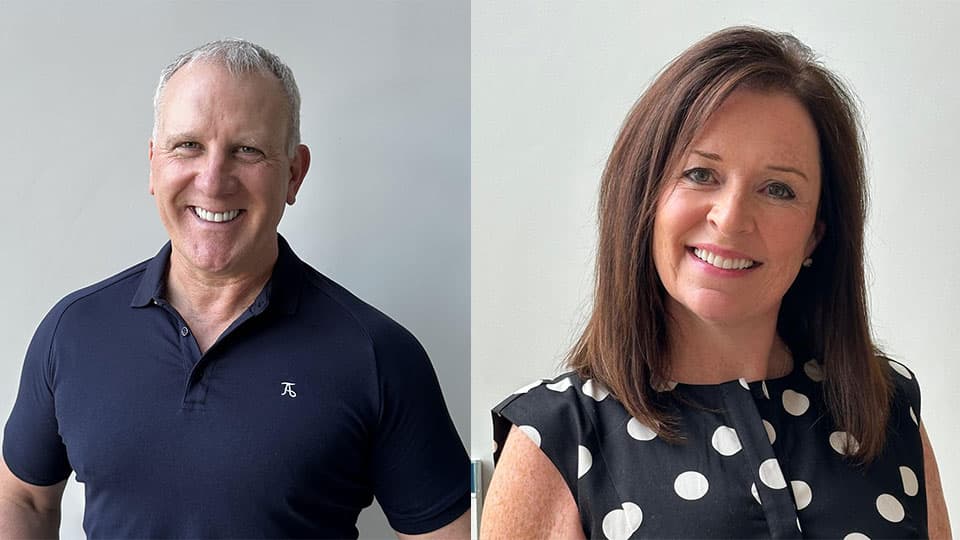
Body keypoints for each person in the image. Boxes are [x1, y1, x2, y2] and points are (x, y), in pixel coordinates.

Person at [481, 27, 949, 539]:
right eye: (701, 174)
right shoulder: (556, 436)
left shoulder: (887, 410)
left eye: (778, 188)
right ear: (645, 198)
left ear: (818, 232)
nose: (730, 219)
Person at [0, 39, 469, 539]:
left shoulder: (378, 355)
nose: (214, 179)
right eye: (188, 146)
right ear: (153, 163)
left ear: (294, 173)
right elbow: (23, 497)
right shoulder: (74, 331)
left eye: (247, 150)